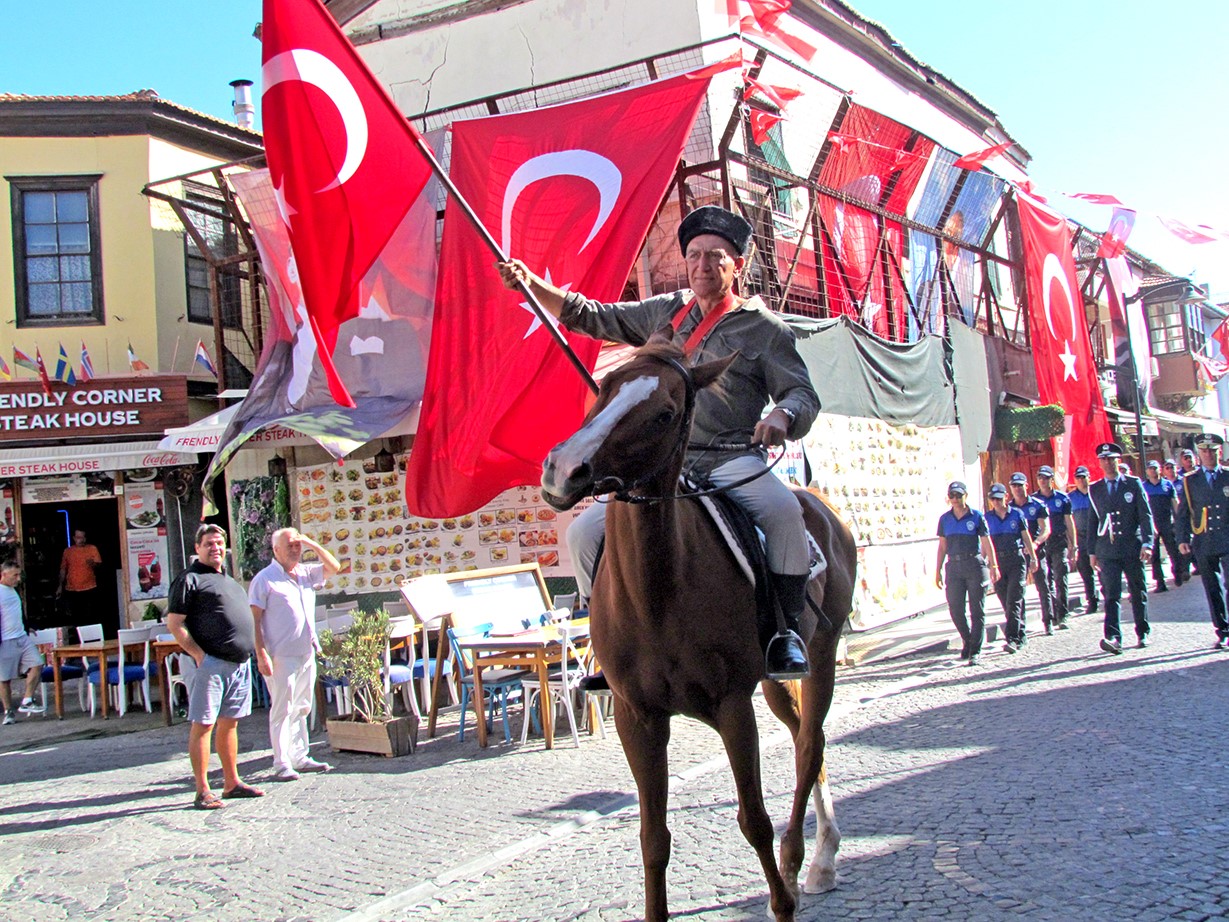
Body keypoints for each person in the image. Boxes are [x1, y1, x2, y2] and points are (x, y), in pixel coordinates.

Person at [497, 204, 820, 680]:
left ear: (739, 265)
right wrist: (532, 284)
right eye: (693, 255)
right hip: (663, 464)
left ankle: (784, 633)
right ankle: (607, 638)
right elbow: (594, 316)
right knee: (583, 534)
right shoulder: (664, 312)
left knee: (784, 512)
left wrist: (783, 413)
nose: (703, 265)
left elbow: (801, 392)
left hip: (728, 460)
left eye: (716, 256)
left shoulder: (764, 329)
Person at [166, 525, 264, 809]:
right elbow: (174, 623)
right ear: (197, 548)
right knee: (204, 725)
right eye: (209, 543)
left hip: (238, 664)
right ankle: (202, 789)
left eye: (219, 543)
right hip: (211, 663)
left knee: (229, 724)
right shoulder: (189, 579)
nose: (215, 548)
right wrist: (198, 655)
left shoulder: (228, 580)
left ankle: (232, 782)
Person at [249, 528, 339, 781]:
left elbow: (334, 567)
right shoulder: (265, 579)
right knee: (282, 708)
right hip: (280, 654)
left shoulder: (304, 574)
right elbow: (254, 620)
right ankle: (282, 761)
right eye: (290, 545)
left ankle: (300, 755)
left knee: (302, 706)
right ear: (276, 550)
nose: (295, 549)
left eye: (297, 545)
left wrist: (312, 543)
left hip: (306, 651)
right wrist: (260, 653)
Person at [1088, 443, 1154, 654]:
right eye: (1104, 460)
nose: (1108, 463)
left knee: (1137, 590)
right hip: (1107, 549)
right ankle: (1113, 636)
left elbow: (1145, 515)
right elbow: (1092, 522)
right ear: (1099, 462)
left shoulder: (1132, 484)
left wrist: (1147, 542)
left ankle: (1142, 631)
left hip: (1131, 547)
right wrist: (1091, 551)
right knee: (1111, 594)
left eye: (1111, 459)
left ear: (1118, 460)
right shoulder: (1095, 489)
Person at [935, 481, 998, 666]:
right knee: (955, 609)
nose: (955, 499)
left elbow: (987, 543)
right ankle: (968, 639)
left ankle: (975, 651)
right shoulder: (945, 519)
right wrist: (937, 570)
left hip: (974, 564)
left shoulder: (976, 517)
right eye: (952, 496)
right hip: (954, 566)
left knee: (977, 609)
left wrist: (993, 566)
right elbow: (942, 546)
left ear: (965, 496)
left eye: (958, 495)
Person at [1176, 433, 1229, 649]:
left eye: (1212, 450)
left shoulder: (1227, 476)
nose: (1208, 454)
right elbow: (1183, 512)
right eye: (1204, 451)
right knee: (1212, 587)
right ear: (1199, 454)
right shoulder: (1190, 480)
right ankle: (1223, 629)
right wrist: (1182, 538)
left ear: (1220, 452)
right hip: (1204, 539)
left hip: (1227, 537)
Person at [985, 483, 1037, 653]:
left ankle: (1012, 638)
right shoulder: (987, 518)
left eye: (999, 499)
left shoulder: (1016, 514)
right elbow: (985, 543)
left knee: (1014, 598)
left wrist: (1033, 557)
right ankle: (1021, 633)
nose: (996, 502)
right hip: (999, 561)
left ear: (1006, 497)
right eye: (993, 499)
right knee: (1005, 600)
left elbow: (1025, 537)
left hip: (1016, 559)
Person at [1032, 465, 1078, 630]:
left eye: (1045, 478)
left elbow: (1069, 522)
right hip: (1043, 545)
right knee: (1045, 581)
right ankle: (1052, 612)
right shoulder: (1034, 501)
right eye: (1040, 478)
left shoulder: (1062, 498)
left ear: (1052, 480)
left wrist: (1074, 544)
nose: (1042, 481)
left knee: (1060, 576)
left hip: (1059, 541)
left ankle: (1063, 613)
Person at [0, 562, 45, 724]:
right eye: (14, 576)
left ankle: (27, 700)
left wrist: (27, 626)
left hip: (21, 637)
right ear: (4, 575)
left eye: (19, 575)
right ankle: (8, 711)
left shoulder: (14, 591)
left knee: (37, 664)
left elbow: (17, 612)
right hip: (5, 640)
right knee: (4, 678)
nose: (18, 579)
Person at [1007, 472, 1051, 633]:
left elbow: (1046, 529)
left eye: (1020, 485)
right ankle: (1021, 625)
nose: (1017, 489)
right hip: (1017, 554)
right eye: (1014, 486)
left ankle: (1048, 621)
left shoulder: (1037, 505)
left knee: (1043, 585)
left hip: (1036, 551)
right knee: (1018, 590)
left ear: (1026, 486)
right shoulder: (1009, 509)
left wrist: (1036, 543)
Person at [1142, 460, 1182, 592]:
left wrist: (1179, 521)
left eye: (1155, 468)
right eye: (1150, 468)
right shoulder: (1143, 487)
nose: (1152, 471)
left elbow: (1175, 503)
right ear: (1147, 471)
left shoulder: (1167, 485)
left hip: (1166, 522)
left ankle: (1177, 572)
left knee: (1173, 550)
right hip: (1151, 523)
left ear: (1159, 469)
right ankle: (1160, 582)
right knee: (1154, 555)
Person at [1068, 465, 1099, 614]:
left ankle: (1108, 595)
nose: (1081, 480)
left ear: (1089, 477)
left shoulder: (1097, 494)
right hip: (1081, 538)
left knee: (1103, 569)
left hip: (1098, 537)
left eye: (1083, 477)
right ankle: (1092, 600)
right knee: (1085, 571)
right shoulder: (1071, 498)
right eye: (1078, 477)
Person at [57, 529, 102, 626]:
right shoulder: (68, 551)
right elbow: (63, 569)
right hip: (72, 589)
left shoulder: (92, 548)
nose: (81, 540)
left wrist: (93, 564)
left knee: (90, 616)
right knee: (75, 617)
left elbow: (99, 565)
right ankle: (78, 638)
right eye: (78, 537)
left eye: (83, 537)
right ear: (73, 538)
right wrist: (60, 586)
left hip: (89, 587)